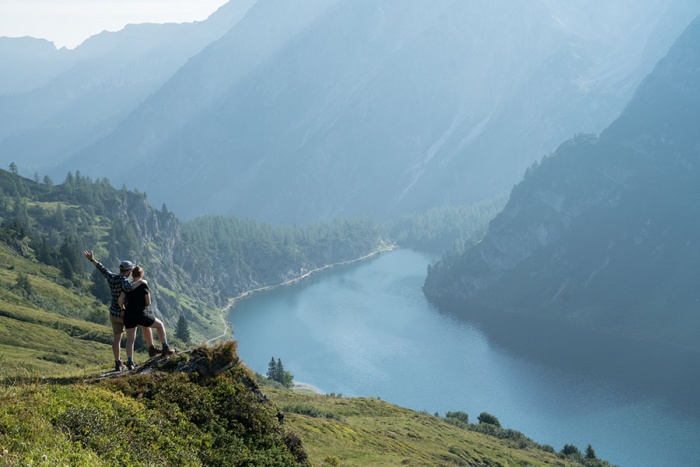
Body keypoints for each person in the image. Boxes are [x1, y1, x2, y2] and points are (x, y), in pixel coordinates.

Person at [83, 250, 159, 371]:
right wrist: (141, 282)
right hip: (125, 314)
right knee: (144, 327)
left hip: (113, 313)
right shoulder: (124, 281)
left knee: (117, 339)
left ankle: (118, 363)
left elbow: (102, 269)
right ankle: (148, 350)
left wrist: (92, 259)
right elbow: (128, 288)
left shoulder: (112, 277)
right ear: (128, 271)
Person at [120, 265, 175, 370]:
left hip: (128, 315)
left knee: (130, 340)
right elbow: (148, 302)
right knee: (160, 325)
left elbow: (120, 300)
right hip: (140, 314)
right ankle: (165, 348)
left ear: (132, 275)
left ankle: (130, 362)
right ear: (142, 275)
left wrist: (123, 310)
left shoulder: (128, 286)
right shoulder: (143, 285)